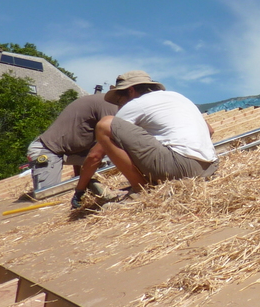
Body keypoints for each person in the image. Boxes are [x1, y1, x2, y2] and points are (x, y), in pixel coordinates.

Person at [71, 71, 217, 207]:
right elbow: (210, 130)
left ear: (131, 90)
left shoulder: (137, 104)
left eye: (119, 99)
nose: (119, 105)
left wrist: (79, 190)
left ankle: (140, 190)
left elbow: (95, 155)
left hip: (181, 168)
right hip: (210, 166)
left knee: (105, 125)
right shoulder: (177, 97)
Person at [27, 92, 117, 197]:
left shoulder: (106, 102)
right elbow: (114, 137)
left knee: (111, 154)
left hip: (69, 151)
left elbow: (77, 141)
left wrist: (80, 177)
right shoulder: (109, 105)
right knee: (48, 196)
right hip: (46, 150)